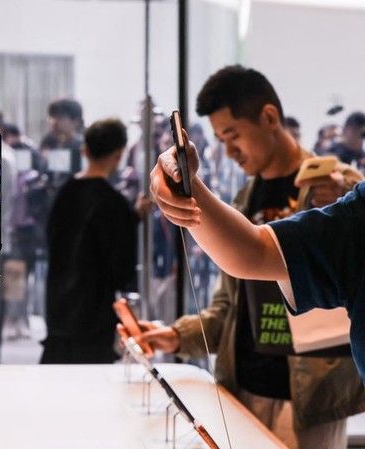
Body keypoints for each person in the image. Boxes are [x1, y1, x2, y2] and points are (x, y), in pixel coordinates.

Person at [143, 65, 365, 449]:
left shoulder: (339, 187)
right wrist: (178, 336)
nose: (229, 151)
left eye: (233, 136)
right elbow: (231, 299)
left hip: (312, 397)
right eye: (219, 139)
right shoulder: (243, 202)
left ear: (269, 118)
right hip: (244, 382)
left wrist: (343, 188)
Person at [41, 118, 138, 363]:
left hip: (59, 313)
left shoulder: (65, 194)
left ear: (85, 150)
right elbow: (122, 270)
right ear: (119, 154)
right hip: (93, 319)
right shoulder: (113, 203)